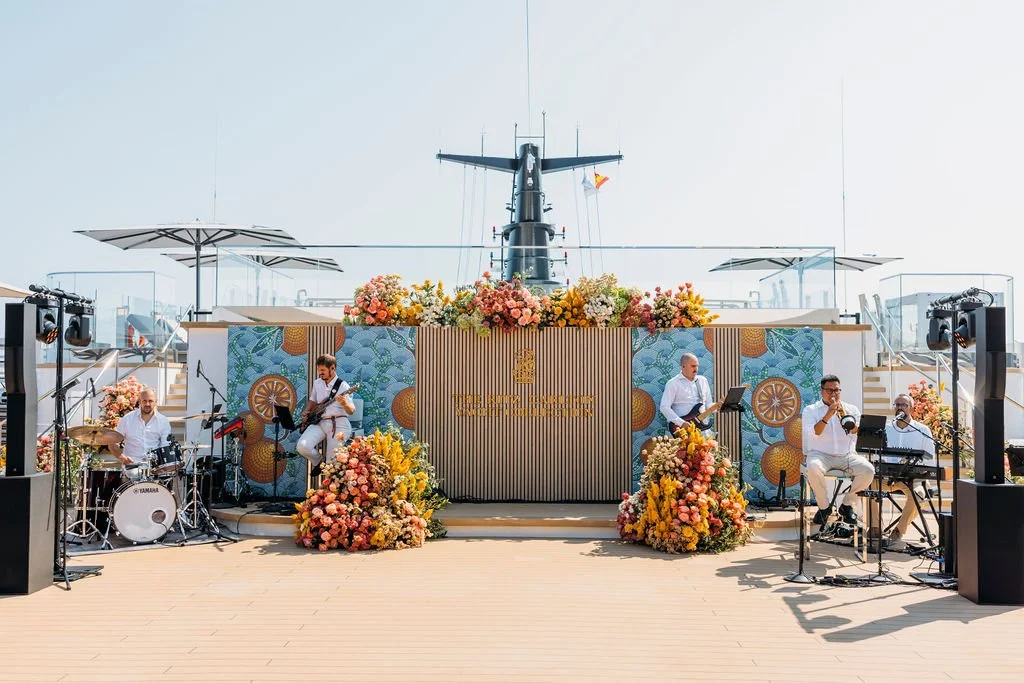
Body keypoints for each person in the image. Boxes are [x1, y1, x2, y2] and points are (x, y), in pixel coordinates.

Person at [801, 374, 874, 525]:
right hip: (820, 454)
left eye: (837, 390)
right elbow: (815, 432)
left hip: (846, 455)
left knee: (868, 470)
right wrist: (828, 415)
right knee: (813, 467)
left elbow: (857, 432)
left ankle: (847, 505)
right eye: (829, 391)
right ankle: (824, 507)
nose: (833, 394)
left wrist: (848, 420)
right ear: (822, 391)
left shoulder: (851, 409)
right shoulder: (811, 410)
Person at [883, 393, 937, 546]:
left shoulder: (922, 430)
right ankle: (873, 528)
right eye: (897, 405)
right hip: (889, 477)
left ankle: (898, 531)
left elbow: (929, 458)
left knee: (919, 495)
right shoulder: (886, 428)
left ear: (911, 409)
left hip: (913, 479)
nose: (900, 408)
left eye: (903, 405)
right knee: (867, 485)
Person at [296, 354, 355, 474]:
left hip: (338, 424)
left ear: (332, 368)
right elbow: (313, 400)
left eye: (322, 370)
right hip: (320, 421)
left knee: (332, 464)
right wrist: (307, 412)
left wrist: (344, 403)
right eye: (319, 370)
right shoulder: (317, 383)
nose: (320, 373)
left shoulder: (343, 386)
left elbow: (351, 410)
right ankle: (318, 460)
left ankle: (329, 490)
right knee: (302, 446)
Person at [109, 386, 172, 478]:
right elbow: (112, 443)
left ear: (155, 402)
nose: (147, 404)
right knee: (134, 475)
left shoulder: (163, 421)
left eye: (150, 401)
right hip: (131, 467)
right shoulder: (127, 419)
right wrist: (123, 458)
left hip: (154, 468)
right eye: (144, 401)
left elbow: (165, 446)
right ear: (139, 402)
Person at [659, 352, 713, 433]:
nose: (696, 369)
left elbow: (709, 404)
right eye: (693, 366)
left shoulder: (702, 380)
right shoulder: (673, 383)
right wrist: (681, 423)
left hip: (703, 430)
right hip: (682, 430)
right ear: (683, 366)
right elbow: (664, 407)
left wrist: (718, 407)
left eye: (697, 366)